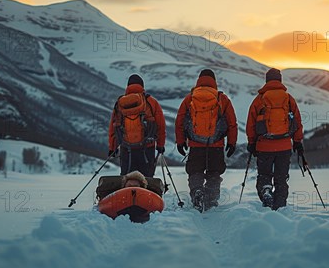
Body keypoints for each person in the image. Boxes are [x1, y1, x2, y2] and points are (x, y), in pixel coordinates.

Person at [175, 69, 238, 211]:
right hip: (216, 145)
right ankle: (211, 200)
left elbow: (179, 121)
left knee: (195, 172)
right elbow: (232, 123)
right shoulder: (222, 99)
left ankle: (197, 192)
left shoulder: (190, 98)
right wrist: (232, 142)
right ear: (214, 81)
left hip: (196, 145)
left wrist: (180, 141)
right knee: (214, 173)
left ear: (199, 80)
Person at [246, 68, 304, 210]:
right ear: (280, 80)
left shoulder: (259, 100)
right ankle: (280, 207)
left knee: (264, 174)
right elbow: (297, 122)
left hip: (264, 146)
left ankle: (266, 190)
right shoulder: (288, 99)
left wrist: (252, 143)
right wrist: (297, 141)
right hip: (284, 146)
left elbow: (251, 124)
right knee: (281, 178)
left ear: (267, 81)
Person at [109, 74, 166, 177]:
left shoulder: (120, 103)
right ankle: (145, 193)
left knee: (127, 177)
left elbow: (113, 126)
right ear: (142, 86)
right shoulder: (151, 102)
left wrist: (112, 148)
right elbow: (160, 125)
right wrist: (160, 144)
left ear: (128, 86)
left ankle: (127, 192)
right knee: (146, 178)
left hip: (126, 148)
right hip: (147, 148)